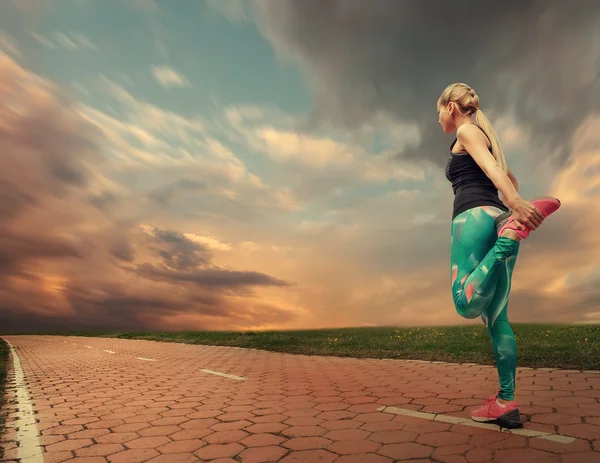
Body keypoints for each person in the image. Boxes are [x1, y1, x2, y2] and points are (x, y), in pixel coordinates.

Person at [437, 83, 561, 428]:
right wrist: (510, 201)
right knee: (497, 319)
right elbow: (506, 175)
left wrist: (516, 205)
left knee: (465, 303)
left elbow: (496, 176)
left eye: (438, 113)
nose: (439, 121)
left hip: (473, 220)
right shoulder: (486, 137)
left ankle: (507, 240)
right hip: (495, 217)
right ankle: (505, 402)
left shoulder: (465, 129)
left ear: (450, 106)